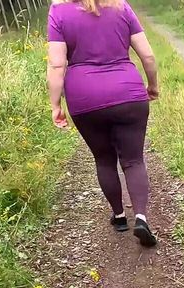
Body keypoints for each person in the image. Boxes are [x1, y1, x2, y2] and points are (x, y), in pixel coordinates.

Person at [46, 0, 160, 247]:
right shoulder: (121, 6)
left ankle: (119, 216)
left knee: (104, 158)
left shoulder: (59, 11)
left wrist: (56, 104)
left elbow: (57, 64)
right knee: (133, 160)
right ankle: (141, 217)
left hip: (84, 98)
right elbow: (147, 55)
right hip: (128, 93)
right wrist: (152, 85)